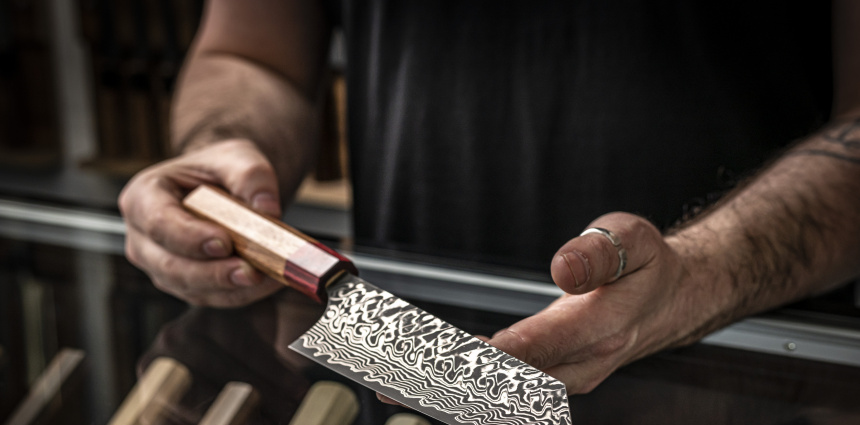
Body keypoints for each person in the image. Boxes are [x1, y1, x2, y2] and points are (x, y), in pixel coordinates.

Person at [119, 0, 860, 396]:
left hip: (740, 387)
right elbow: (252, 54)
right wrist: (223, 145)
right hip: (401, 381)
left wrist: (699, 277)